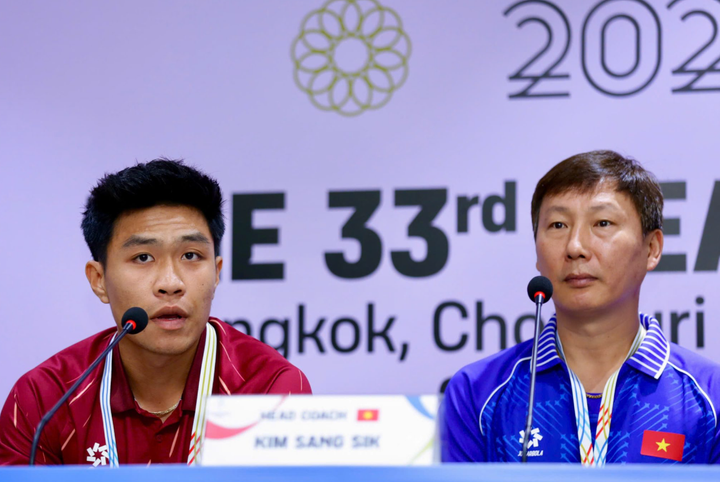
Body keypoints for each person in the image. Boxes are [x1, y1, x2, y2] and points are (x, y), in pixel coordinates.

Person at [0, 159, 311, 466]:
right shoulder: (46, 399)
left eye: (191, 255)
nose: (170, 284)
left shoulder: (269, 390)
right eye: (143, 257)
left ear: (216, 273)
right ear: (99, 280)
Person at [441, 150, 720, 464]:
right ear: (536, 250)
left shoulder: (709, 397)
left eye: (603, 223)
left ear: (652, 249)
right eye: (558, 225)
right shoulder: (478, 394)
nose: (575, 247)